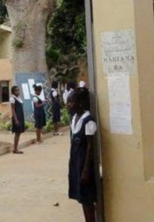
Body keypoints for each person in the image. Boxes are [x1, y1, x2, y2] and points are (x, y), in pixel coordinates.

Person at [67, 88, 97, 222]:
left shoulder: (88, 120)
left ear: (80, 103)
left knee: (88, 200)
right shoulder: (74, 118)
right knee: (81, 198)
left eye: (71, 102)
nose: (68, 105)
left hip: (84, 164)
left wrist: (85, 170)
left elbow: (90, 147)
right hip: (76, 162)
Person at [9, 86, 25, 154]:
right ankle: (15, 149)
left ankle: (16, 148)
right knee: (17, 133)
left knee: (19, 133)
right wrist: (15, 120)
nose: (18, 92)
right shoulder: (12, 98)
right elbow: (13, 110)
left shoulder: (18, 98)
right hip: (17, 117)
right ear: (13, 92)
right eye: (16, 91)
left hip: (20, 116)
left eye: (18, 90)